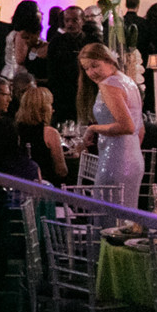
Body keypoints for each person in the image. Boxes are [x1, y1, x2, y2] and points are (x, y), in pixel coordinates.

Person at [75, 42, 145, 207]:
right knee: (126, 215)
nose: (91, 72)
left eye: (95, 66)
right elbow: (140, 129)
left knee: (107, 214)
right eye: (86, 68)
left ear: (109, 60)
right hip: (133, 157)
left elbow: (127, 126)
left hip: (115, 159)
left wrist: (93, 128)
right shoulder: (128, 81)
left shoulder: (109, 85)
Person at [11, 86, 67, 183]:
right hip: (45, 186)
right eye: (51, 104)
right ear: (44, 109)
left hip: (19, 184)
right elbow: (61, 171)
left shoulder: (12, 129)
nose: (53, 110)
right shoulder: (50, 133)